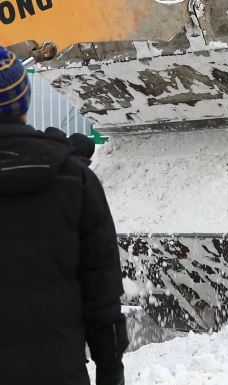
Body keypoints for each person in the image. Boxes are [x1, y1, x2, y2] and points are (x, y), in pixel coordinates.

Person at [0, 46, 128, 385]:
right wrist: (111, 370)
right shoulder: (75, 178)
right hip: (59, 372)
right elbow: (101, 291)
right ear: (23, 104)